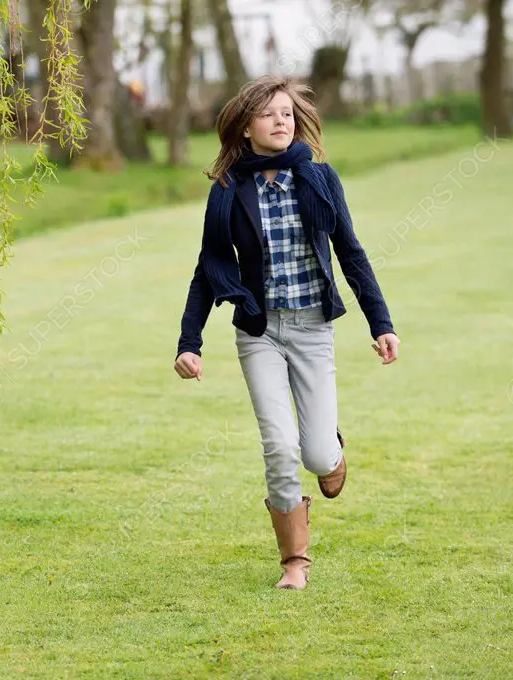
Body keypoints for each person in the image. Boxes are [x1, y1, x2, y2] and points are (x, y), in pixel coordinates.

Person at [173, 75, 400, 591]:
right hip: (260, 333)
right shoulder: (229, 190)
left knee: (315, 454)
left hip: (313, 329)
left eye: (287, 113)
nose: (281, 121)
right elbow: (209, 268)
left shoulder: (319, 179)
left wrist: (380, 323)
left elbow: (351, 253)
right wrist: (190, 342)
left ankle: (331, 451)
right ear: (245, 127)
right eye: (269, 114)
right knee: (278, 445)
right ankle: (294, 562)